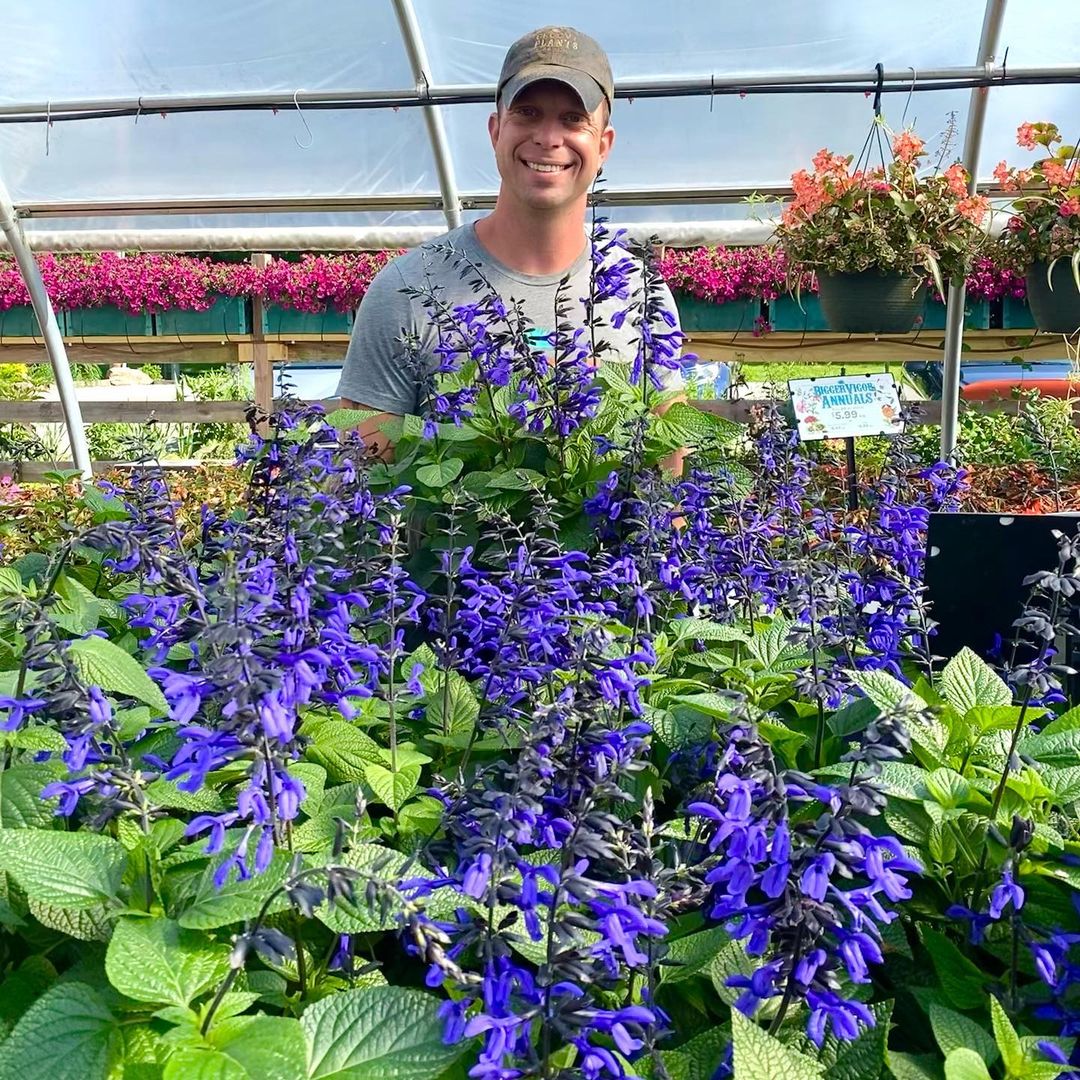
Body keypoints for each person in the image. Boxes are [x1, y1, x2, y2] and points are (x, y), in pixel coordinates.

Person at [336, 25, 685, 464]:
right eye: (528, 113)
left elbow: (667, 486)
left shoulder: (640, 292)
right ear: (495, 130)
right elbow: (363, 486)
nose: (548, 138)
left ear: (604, 145)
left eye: (574, 119)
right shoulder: (406, 288)